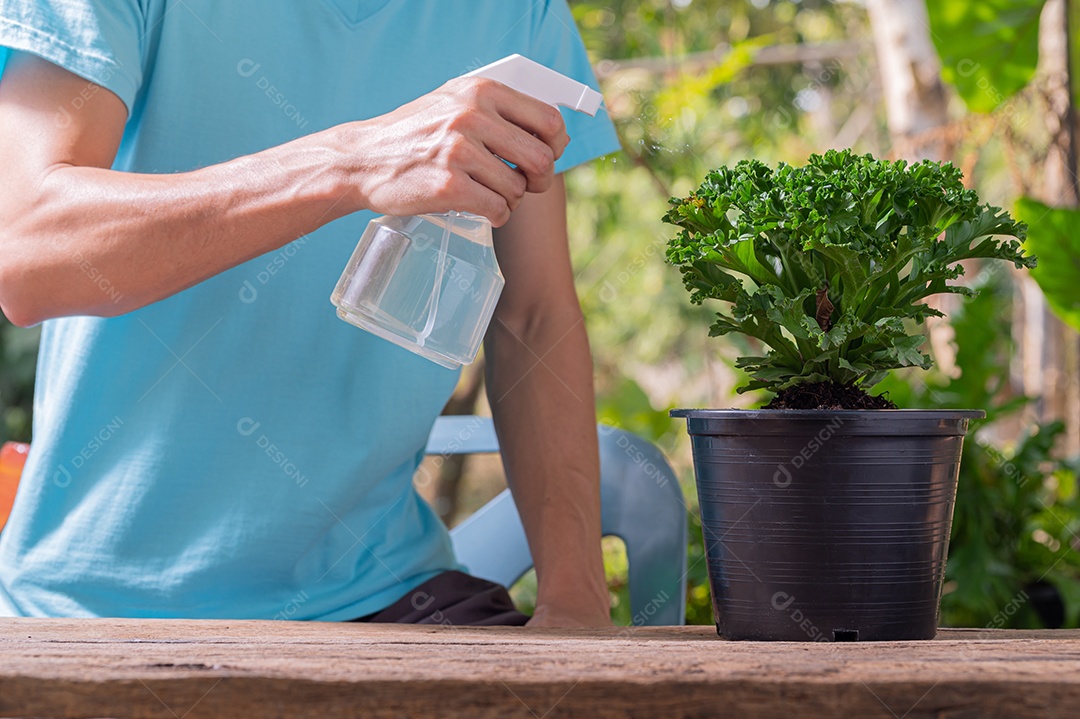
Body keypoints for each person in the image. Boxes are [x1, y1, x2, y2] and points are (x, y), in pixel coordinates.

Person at [0, 0, 619, 626]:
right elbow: (27, 254)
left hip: (384, 596)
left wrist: (576, 598)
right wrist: (350, 162)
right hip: (91, 609)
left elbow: (532, 316)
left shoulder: (522, 14)